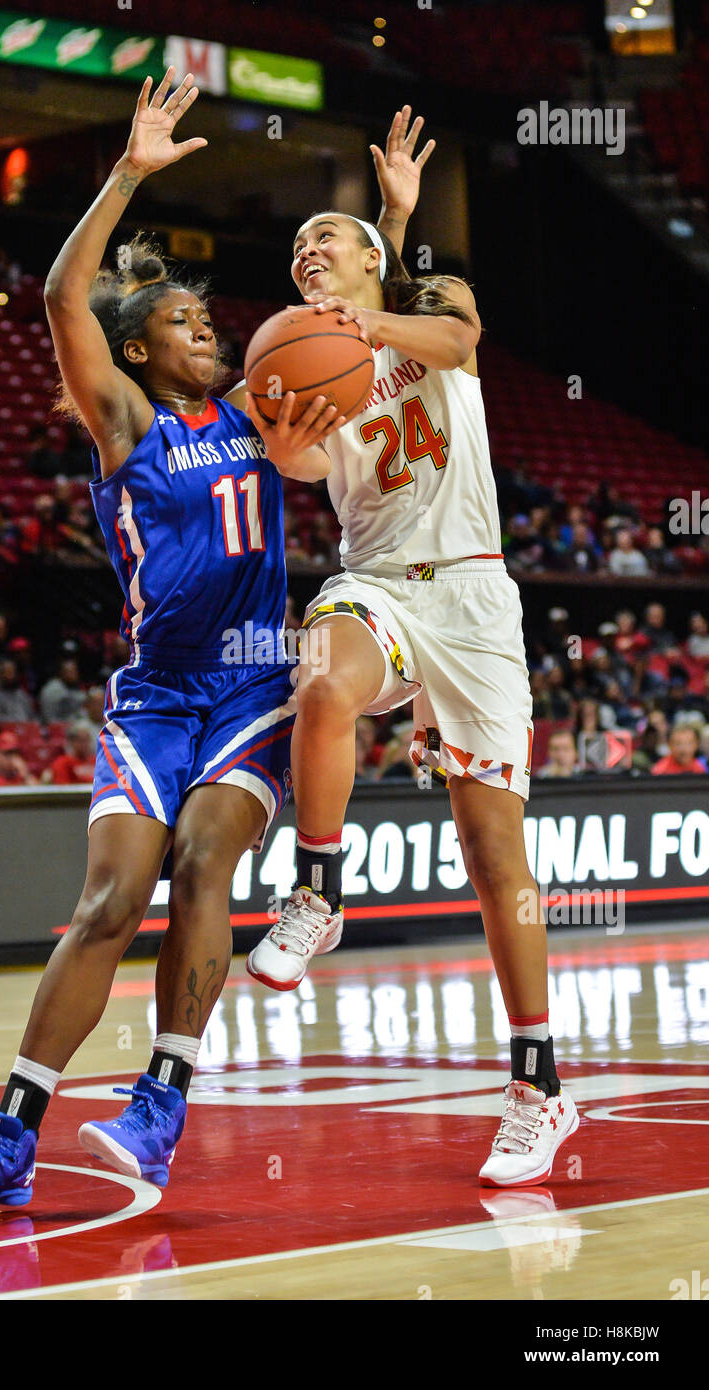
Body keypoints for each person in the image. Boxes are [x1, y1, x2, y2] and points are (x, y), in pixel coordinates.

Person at [0, 69, 339, 1214]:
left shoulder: (262, 411)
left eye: (209, 319)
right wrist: (128, 173)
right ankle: (9, 1133)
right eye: (182, 321)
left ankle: (160, 1102)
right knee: (109, 904)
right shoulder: (129, 426)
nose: (207, 327)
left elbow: (346, 334)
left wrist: (385, 224)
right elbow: (64, 295)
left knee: (206, 863)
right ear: (141, 351)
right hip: (155, 696)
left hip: (255, 682)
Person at [244, 105, 578, 1188]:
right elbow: (296, 468)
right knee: (322, 676)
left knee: (494, 860)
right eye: (298, 250)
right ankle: (319, 890)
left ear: (375, 261)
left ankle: (538, 1086)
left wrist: (372, 301)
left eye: (325, 239)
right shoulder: (298, 363)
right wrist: (284, 434)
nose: (308, 253)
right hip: (376, 584)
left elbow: (457, 342)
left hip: (473, 599)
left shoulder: (430, 310)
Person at [43, 720, 96, 784]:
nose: (85, 744)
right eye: (81, 740)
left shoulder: (96, 761)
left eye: (87, 740)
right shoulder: (62, 762)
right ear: (71, 742)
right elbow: (63, 788)